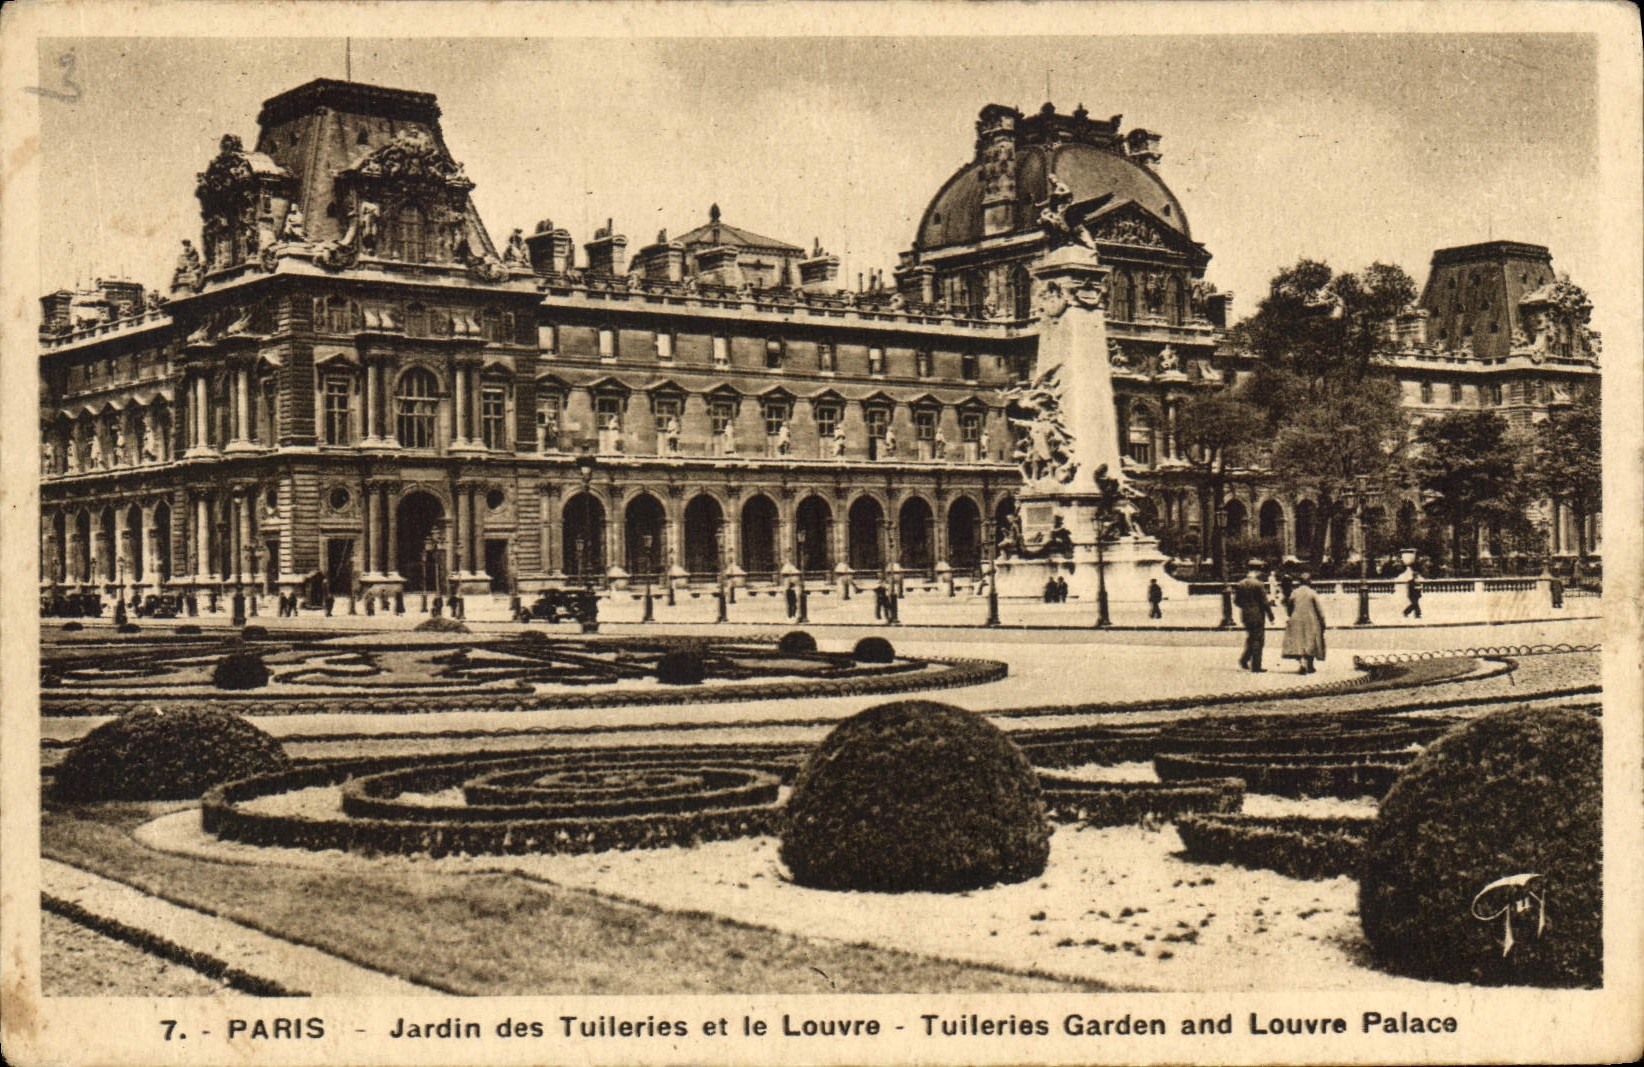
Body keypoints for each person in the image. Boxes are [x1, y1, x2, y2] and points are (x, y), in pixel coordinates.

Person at [1282, 573, 1327, 674]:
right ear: (1309, 581)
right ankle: (1310, 666)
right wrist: (1323, 621)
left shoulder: (1294, 593)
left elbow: (1289, 608)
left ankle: (1303, 664)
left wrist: (1291, 615)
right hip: (1311, 620)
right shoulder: (1312, 593)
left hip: (1296, 620)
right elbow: (1319, 609)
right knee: (1311, 643)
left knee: (1299, 643)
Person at [1232, 567, 1274, 672]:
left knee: (1251, 637)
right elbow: (1264, 602)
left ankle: (1244, 659)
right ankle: (1256, 666)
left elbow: (1236, 601)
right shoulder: (1258, 585)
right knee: (1258, 640)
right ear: (1256, 572)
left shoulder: (1240, 584)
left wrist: (1246, 607)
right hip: (1258, 615)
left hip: (1245, 615)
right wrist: (1271, 616)